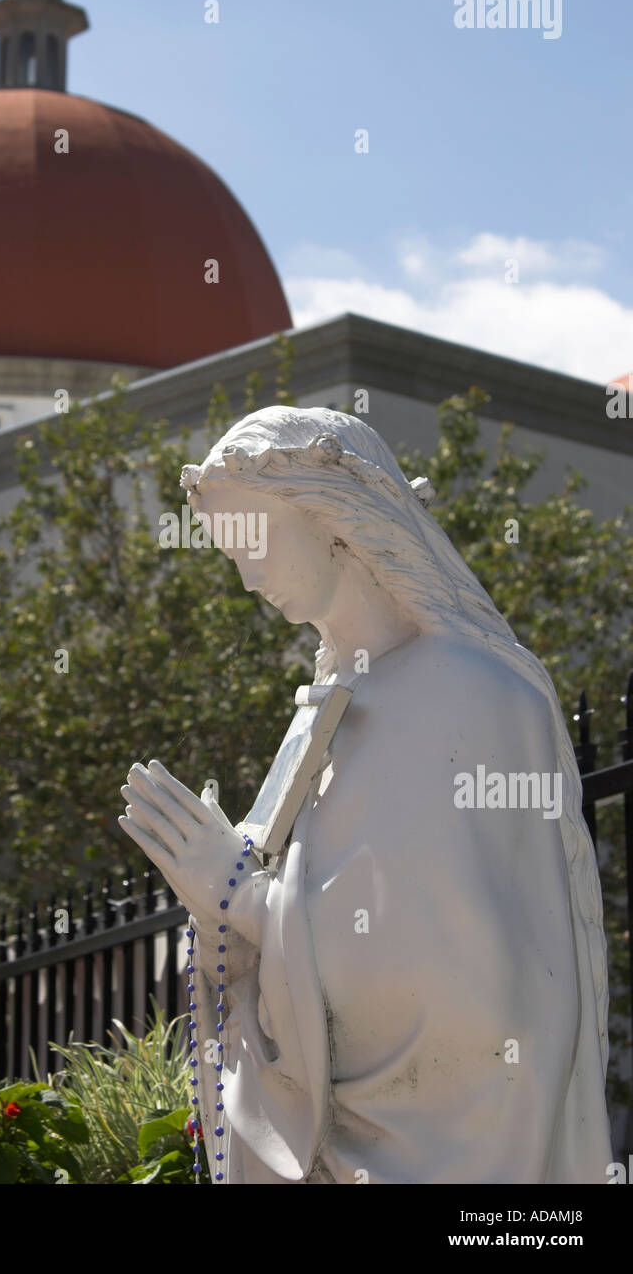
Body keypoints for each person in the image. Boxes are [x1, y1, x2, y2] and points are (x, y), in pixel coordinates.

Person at [119, 405, 612, 1184]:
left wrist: (243, 901)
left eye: (252, 541)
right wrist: (227, 905)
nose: (245, 576)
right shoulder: (326, 705)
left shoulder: (471, 691)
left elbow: (475, 984)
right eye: (228, 555)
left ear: (333, 518)